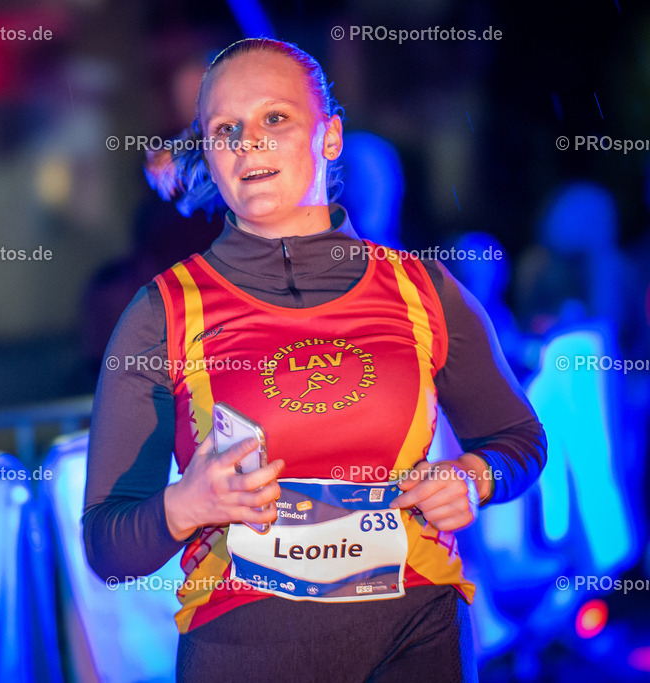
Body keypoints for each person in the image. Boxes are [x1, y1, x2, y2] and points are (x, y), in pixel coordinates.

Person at [83, 38, 546, 682]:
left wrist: (474, 477)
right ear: (211, 157)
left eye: (276, 118)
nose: (249, 143)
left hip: (417, 639)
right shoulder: (161, 313)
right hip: (240, 653)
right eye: (226, 129)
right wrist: (186, 505)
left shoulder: (423, 290)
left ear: (329, 138)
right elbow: (108, 546)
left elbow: (519, 440)